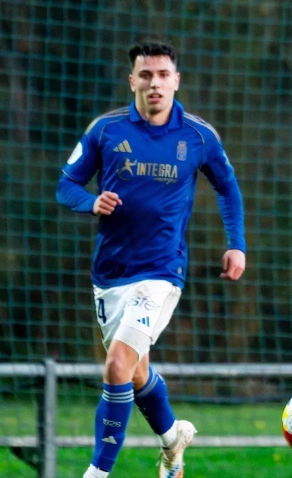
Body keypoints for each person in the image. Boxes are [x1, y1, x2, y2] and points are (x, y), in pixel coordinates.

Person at [56, 41, 247, 478]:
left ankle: (97, 472)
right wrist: (90, 203)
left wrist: (236, 243)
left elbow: (227, 188)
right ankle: (172, 440)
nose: (155, 83)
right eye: (146, 75)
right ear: (132, 81)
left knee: (117, 364)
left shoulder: (198, 136)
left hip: (162, 272)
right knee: (137, 373)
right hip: (110, 274)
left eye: (163, 75)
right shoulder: (106, 130)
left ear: (176, 81)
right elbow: (66, 185)